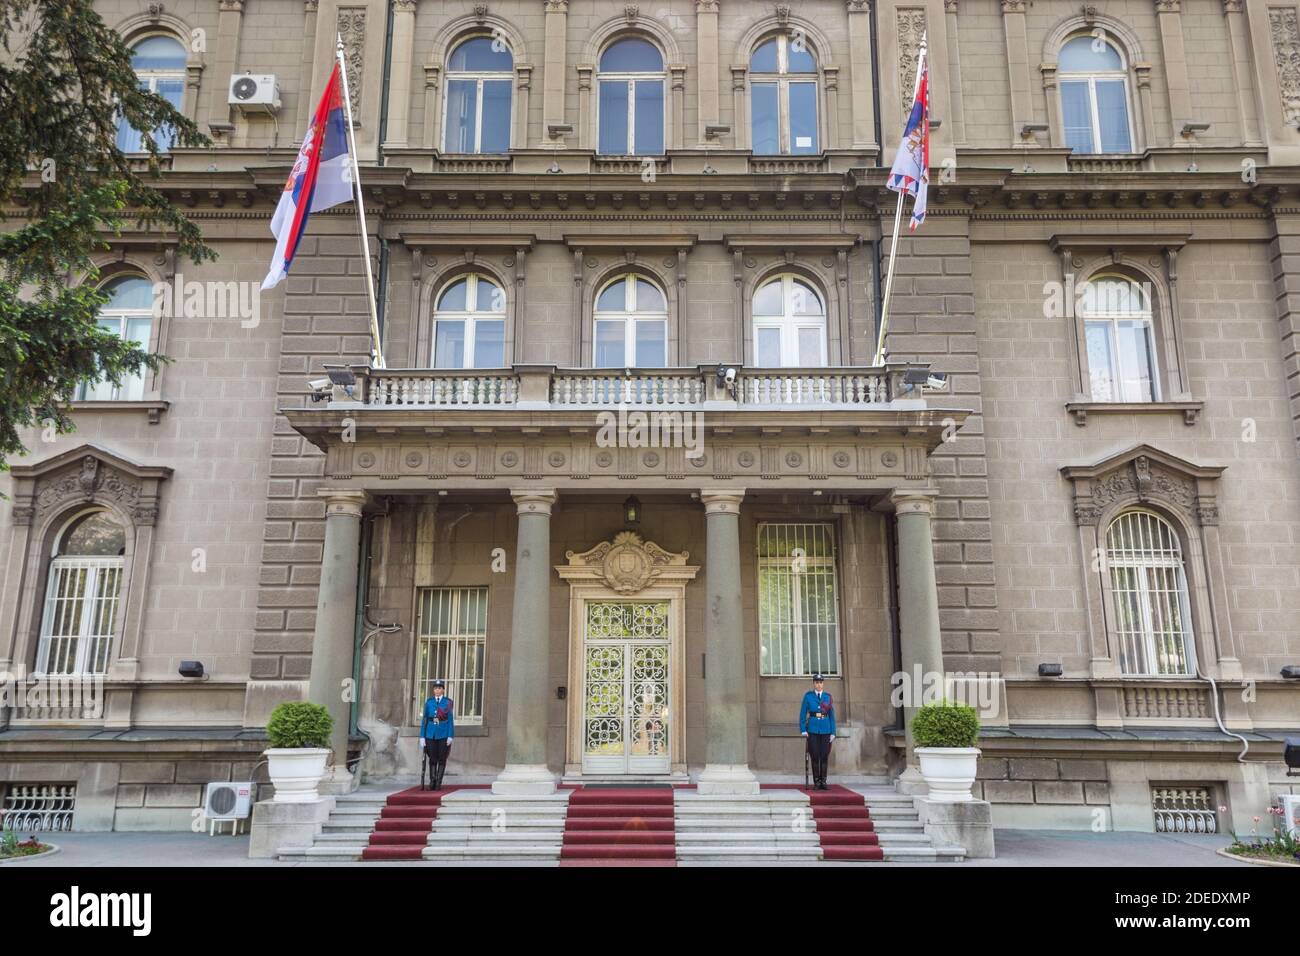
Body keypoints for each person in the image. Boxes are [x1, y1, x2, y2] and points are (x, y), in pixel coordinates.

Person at [799, 674, 836, 790]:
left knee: (824, 756)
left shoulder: (827, 697)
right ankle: (816, 782)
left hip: (826, 729)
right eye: (816, 682)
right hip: (813, 730)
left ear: (823, 684)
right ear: (813, 684)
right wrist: (803, 729)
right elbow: (802, 714)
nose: (818, 684)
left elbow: (832, 716)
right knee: (815, 756)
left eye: (820, 682)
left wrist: (833, 732)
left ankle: (823, 782)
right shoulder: (808, 697)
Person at [420, 680, 455, 791]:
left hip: (443, 733)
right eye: (435, 688)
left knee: (442, 758)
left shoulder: (447, 702)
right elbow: (424, 719)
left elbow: (450, 720)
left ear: (443, 690)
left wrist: (450, 735)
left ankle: (439, 782)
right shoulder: (429, 702)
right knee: (432, 758)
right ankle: (432, 781)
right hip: (430, 734)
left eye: (439, 688)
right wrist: (422, 736)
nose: (437, 690)